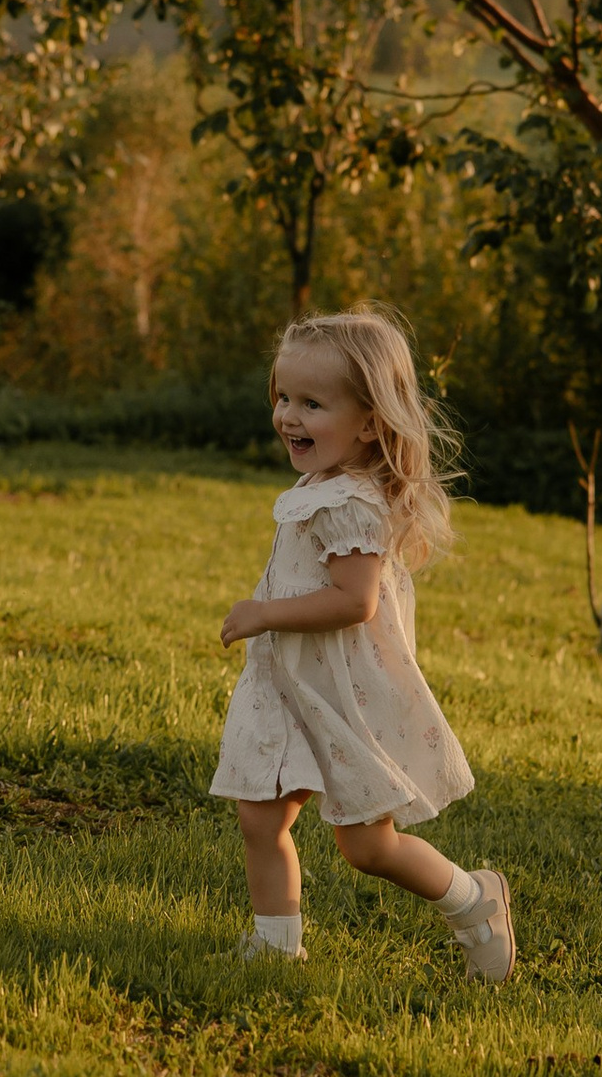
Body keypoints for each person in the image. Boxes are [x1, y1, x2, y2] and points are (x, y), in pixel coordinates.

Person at [213, 307, 515, 980]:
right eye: (283, 398)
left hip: (338, 692)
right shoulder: (323, 484)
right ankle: (274, 946)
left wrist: (264, 612)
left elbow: (356, 601)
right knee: (260, 816)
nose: (288, 416)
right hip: (292, 682)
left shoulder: (351, 501)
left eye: (312, 403)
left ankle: (475, 900)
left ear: (371, 421)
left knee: (366, 846)